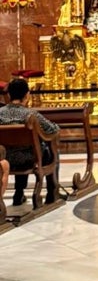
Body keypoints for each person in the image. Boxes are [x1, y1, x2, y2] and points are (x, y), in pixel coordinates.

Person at [0, 77, 61, 205]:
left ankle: (19, 193)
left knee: (17, 148)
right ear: (27, 95)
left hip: (6, 159)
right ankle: (52, 192)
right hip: (30, 158)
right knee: (52, 150)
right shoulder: (31, 115)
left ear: (9, 94)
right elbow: (53, 130)